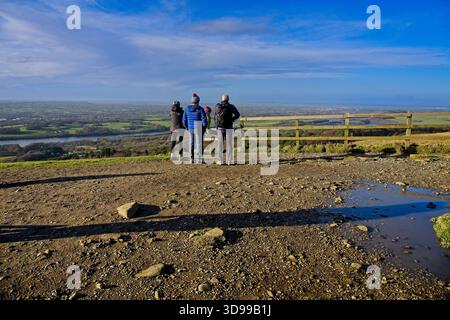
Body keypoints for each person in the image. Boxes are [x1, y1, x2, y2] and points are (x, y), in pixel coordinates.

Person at [215, 94, 240, 165]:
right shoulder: (231, 106)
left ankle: (220, 161)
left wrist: (217, 126)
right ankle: (229, 161)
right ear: (228, 99)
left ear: (221, 99)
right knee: (229, 144)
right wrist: (231, 120)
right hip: (229, 127)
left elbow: (215, 116)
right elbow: (238, 115)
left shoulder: (217, 106)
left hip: (220, 128)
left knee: (220, 144)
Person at [182, 93, 207, 163]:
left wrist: (187, 127)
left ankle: (191, 158)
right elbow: (204, 119)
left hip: (190, 127)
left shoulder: (186, 109)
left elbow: (184, 120)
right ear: (198, 101)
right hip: (199, 127)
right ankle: (200, 159)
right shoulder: (201, 109)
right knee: (199, 144)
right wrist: (204, 128)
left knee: (191, 143)